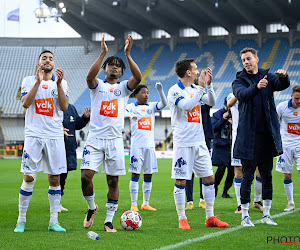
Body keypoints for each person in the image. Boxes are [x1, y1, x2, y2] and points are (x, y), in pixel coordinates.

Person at [80, 34, 142, 233]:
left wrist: (127, 54)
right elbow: (89, 77)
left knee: (113, 181)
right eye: (110, 64)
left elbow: (138, 78)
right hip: (95, 139)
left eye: (118, 65)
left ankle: (108, 221)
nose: (114, 67)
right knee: (85, 177)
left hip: (115, 140)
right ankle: (92, 207)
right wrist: (103, 53)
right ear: (105, 69)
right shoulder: (98, 86)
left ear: (121, 71)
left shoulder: (123, 89)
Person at [168, 59, 229, 229]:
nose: (197, 72)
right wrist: (201, 88)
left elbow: (211, 102)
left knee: (209, 177)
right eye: (195, 69)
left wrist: (208, 86)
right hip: (183, 143)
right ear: (188, 72)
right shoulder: (174, 90)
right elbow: (187, 106)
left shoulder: (196, 89)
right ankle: (182, 218)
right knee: (181, 180)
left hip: (200, 141)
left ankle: (210, 218)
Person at [232, 47, 290, 227]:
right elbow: (242, 95)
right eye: (243, 60)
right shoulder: (238, 81)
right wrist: (256, 87)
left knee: (267, 175)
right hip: (248, 137)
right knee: (247, 176)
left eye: (249, 59)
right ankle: (245, 216)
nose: (246, 62)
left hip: (267, 136)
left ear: (257, 59)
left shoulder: (268, 76)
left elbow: (283, 85)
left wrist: (283, 76)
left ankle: (267, 214)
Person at [14, 50, 69, 233]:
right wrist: (38, 82)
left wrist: (59, 85)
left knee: (55, 178)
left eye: (51, 58)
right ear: (38, 62)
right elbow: (25, 103)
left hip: (54, 135)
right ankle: (21, 220)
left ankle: (53, 221)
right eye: (44, 58)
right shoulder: (28, 80)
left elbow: (63, 106)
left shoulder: (62, 83)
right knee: (29, 177)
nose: (48, 60)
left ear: (54, 63)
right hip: (34, 135)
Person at [126, 83, 167, 212]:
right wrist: (129, 116)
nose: (146, 95)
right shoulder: (131, 106)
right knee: (135, 174)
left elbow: (164, 104)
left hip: (149, 147)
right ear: (137, 94)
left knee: (148, 174)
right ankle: (134, 204)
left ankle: (145, 203)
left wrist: (160, 91)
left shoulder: (151, 106)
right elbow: (122, 112)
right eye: (143, 92)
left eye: (147, 92)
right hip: (137, 147)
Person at [227, 93, 263, 214]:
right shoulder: (232, 95)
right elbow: (229, 104)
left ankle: (257, 201)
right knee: (238, 170)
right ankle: (240, 204)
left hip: (255, 135)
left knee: (260, 170)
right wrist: (241, 93)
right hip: (238, 137)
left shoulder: (256, 92)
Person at [185, 80, 214, 210]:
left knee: (205, 170)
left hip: (205, 135)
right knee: (188, 171)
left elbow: (211, 101)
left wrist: (207, 86)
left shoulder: (203, 97)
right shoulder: (188, 98)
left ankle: (202, 199)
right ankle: (189, 200)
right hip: (190, 136)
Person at [59, 105, 90, 212]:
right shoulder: (54, 105)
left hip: (69, 146)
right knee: (55, 175)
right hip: (57, 145)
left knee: (63, 175)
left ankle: (57, 202)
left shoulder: (71, 108)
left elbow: (77, 125)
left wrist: (85, 118)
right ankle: (54, 203)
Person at [276, 84, 300, 212]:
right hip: (285, 145)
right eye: (296, 98)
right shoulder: (282, 107)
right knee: (287, 175)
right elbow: (274, 123)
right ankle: (290, 202)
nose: (299, 101)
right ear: (291, 96)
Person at [211, 98, 234, 199]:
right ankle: (214, 187)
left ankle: (225, 191)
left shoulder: (237, 113)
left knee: (232, 170)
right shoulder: (217, 114)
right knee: (221, 168)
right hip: (220, 145)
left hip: (231, 145)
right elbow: (213, 128)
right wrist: (223, 119)